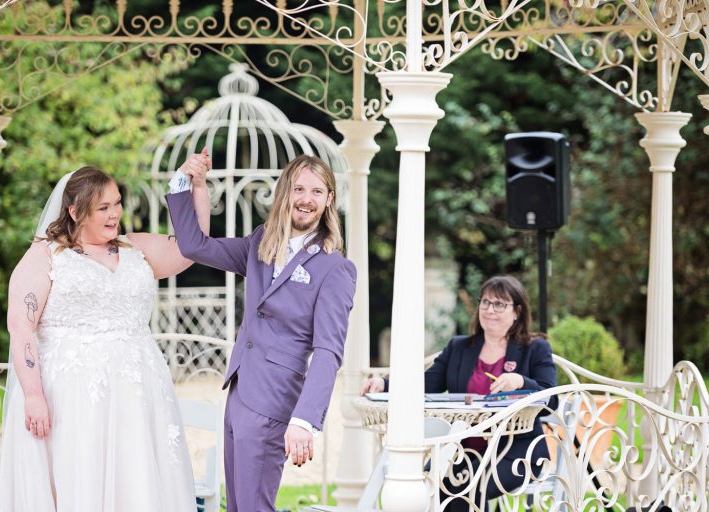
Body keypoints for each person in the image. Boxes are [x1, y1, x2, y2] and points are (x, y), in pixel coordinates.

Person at [0, 150, 212, 512]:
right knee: (80, 475)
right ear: (75, 211)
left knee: (136, 479)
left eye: (117, 204)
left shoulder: (135, 248)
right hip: (72, 394)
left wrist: (198, 187)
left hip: (137, 390)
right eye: (103, 208)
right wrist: (33, 395)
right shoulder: (46, 256)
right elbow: (21, 329)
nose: (115, 213)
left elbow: (191, 249)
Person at [166, 154, 357, 512]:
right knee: (237, 506)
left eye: (317, 191)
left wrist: (304, 420)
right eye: (299, 188)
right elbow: (195, 246)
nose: (306, 198)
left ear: (329, 199)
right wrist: (188, 184)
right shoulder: (260, 245)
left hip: (275, 400)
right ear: (285, 192)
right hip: (238, 392)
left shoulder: (335, 269)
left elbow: (329, 351)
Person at [362, 275, 557, 512]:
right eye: (485, 302)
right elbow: (425, 384)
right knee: (430, 483)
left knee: (466, 484)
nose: (489, 310)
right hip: (461, 450)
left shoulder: (534, 349)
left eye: (499, 304)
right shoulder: (460, 347)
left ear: (517, 312)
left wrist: (521, 381)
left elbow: (551, 398)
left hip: (516, 452)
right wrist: (384, 384)